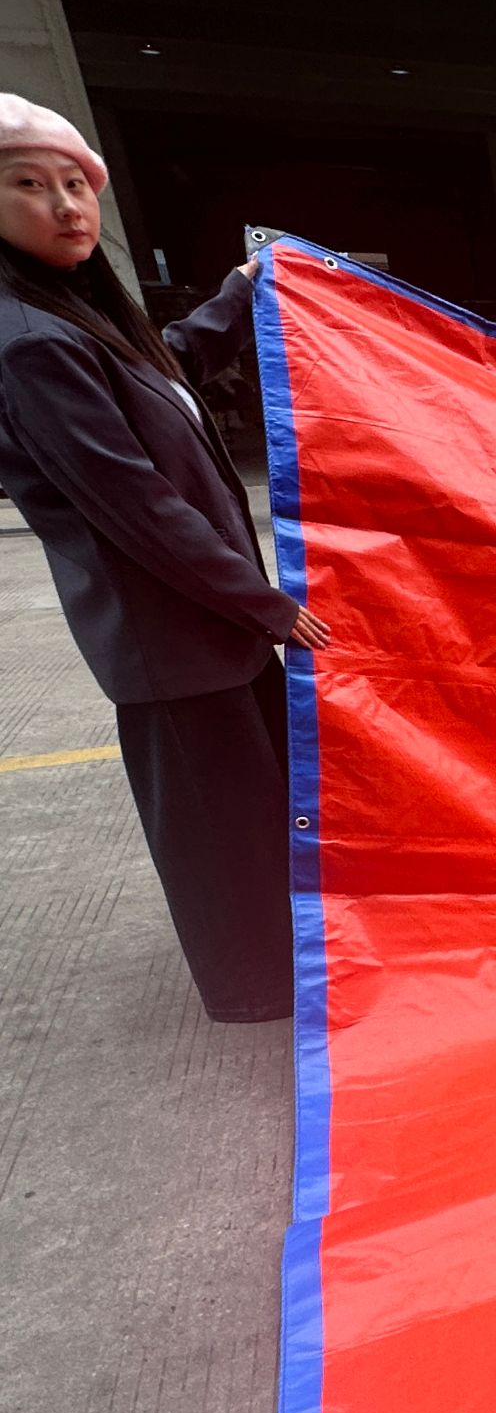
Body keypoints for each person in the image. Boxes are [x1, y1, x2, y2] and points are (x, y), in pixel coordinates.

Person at [0, 95, 329, 1022]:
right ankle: (257, 990)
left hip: (205, 627)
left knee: (254, 812)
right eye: (28, 186)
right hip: (169, 640)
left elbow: (170, 367)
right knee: (219, 830)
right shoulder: (30, 347)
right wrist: (263, 603)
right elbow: (135, 506)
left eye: (75, 186)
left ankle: (281, 964)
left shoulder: (79, 320)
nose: (64, 206)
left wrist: (241, 292)